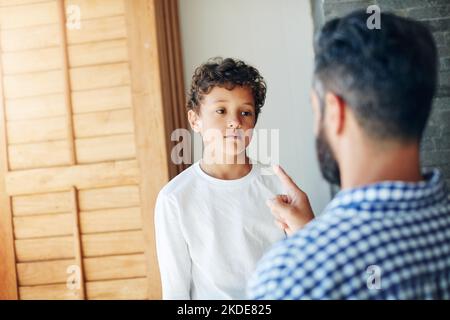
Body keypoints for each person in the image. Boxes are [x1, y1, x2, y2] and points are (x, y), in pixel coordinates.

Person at [248, 10, 450, 299]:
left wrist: (312, 246)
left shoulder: (289, 277)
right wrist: (314, 236)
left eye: (314, 108)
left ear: (334, 112)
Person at [155, 57, 286, 299]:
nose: (235, 122)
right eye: (221, 111)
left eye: (245, 112)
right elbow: (176, 292)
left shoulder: (277, 186)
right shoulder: (174, 198)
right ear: (195, 120)